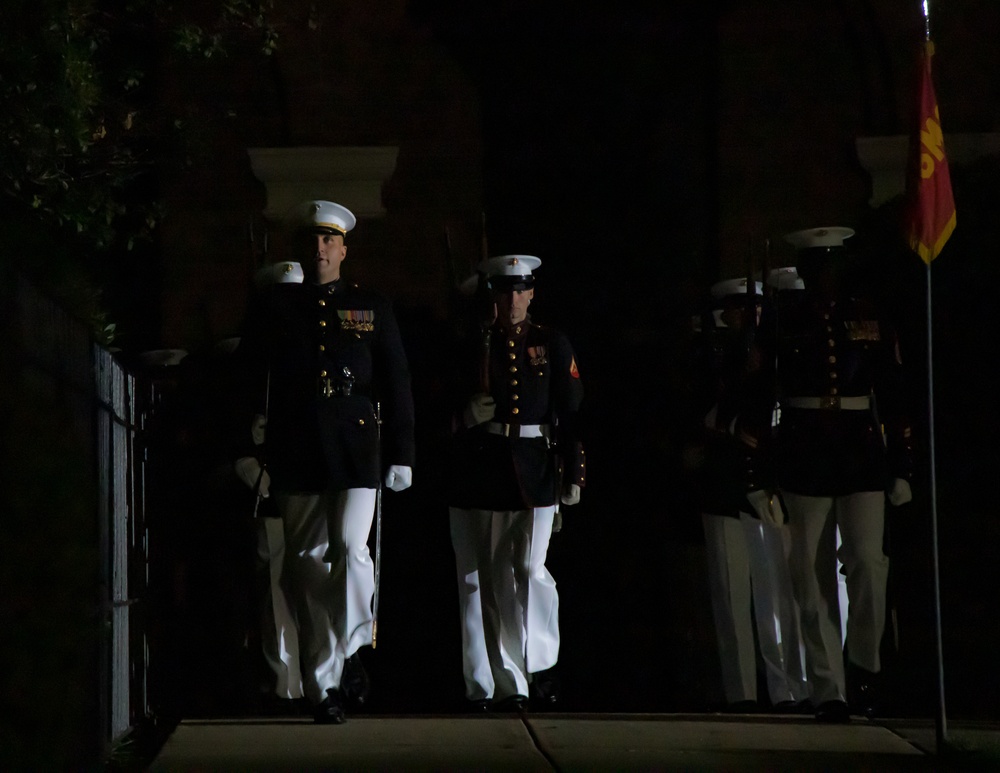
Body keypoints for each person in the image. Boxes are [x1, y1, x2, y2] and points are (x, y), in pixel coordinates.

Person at [236, 200, 415, 724]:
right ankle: (323, 688)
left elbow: (396, 383)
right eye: (311, 241)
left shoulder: (370, 306)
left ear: (343, 249)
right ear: (301, 249)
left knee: (352, 551)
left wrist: (403, 453)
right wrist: (246, 448)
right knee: (309, 565)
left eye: (328, 241)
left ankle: (355, 642)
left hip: (357, 450)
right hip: (299, 449)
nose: (320, 250)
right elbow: (246, 380)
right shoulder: (275, 307)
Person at [754, 226, 913, 723]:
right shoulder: (781, 320)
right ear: (803, 271)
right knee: (811, 574)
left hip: (861, 453)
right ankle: (830, 688)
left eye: (830, 268)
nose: (824, 277)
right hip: (804, 454)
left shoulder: (866, 315)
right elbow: (762, 398)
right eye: (815, 268)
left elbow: (893, 389)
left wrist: (902, 464)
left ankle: (864, 665)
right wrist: (759, 473)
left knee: (869, 561)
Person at [447, 254, 585, 712]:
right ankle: (511, 682)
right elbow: (437, 399)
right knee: (492, 581)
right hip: (486, 469)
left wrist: (574, 470)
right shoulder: (473, 342)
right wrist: (465, 415)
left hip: (537, 469)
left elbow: (570, 411)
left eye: (519, 290)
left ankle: (541, 661)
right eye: (502, 291)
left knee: (529, 570)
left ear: (531, 293)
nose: (511, 300)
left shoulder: (551, 342)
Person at [688, 274, 809, 714]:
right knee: (730, 595)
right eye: (742, 309)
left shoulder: (776, 356)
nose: (751, 316)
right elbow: (698, 415)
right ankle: (740, 692)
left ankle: (786, 690)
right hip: (724, 487)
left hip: (765, 485)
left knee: (776, 593)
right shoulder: (713, 356)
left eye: (756, 309)